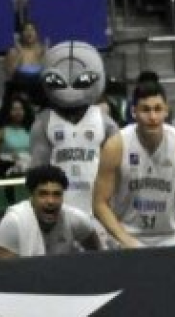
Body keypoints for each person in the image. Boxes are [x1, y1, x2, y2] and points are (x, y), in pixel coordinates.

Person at [93, 74, 175, 248]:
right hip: (129, 234)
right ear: (134, 112)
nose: (152, 116)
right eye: (145, 110)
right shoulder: (116, 145)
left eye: (158, 109)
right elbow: (99, 203)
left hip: (172, 236)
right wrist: (126, 240)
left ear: (166, 110)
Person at [28, 40, 120, 220]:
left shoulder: (103, 121)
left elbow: (118, 166)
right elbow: (37, 169)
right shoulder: (44, 122)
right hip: (58, 205)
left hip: (99, 205)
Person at [0, 164, 101, 258]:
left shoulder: (77, 219)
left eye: (56, 194)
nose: (50, 201)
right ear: (32, 195)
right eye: (43, 194)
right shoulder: (13, 222)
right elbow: (5, 274)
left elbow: (99, 258)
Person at [0, 95, 34, 177]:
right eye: (14, 109)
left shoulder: (32, 130)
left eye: (21, 109)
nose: (18, 112)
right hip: (10, 171)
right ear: (8, 111)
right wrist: (6, 156)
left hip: (31, 171)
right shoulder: (2, 131)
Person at [2, 21, 45, 106]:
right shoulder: (13, 52)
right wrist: (20, 54)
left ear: (37, 34)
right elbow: (9, 75)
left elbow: (47, 75)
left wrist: (44, 55)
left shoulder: (42, 51)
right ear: (20, 35)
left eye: (32, 30)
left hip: (39, 95)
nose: (29, 33)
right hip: (18, 96)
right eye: (26, 30)